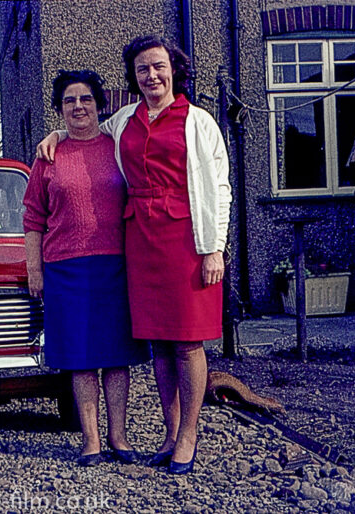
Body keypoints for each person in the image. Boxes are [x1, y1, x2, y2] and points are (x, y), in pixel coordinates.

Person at [37, 36, 231, 474]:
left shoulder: (198, 122)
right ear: (134, 78)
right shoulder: (125, 120)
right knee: (159, 341)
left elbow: (219, 189)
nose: (151, 76)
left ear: (173, 70)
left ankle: (188, 435)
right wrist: (54, 133)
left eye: (158, 67)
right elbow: (84, 130)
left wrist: (214, 247)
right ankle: (169, 430)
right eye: (143, 70)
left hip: (187, 240)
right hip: (140, 241)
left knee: (187, 340)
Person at [23, 69, 150, 467]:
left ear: (99, 104)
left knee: (115, 357)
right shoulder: (48, 155)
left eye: (86, 99)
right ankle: (91, 440)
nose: (78, 106)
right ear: (59, 109)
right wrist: (34, 270)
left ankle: (120, 437)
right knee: (79, 358)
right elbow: (32, 218)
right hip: (65, 269)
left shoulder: (117, 147)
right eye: (69, 100)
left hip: (115, 265)